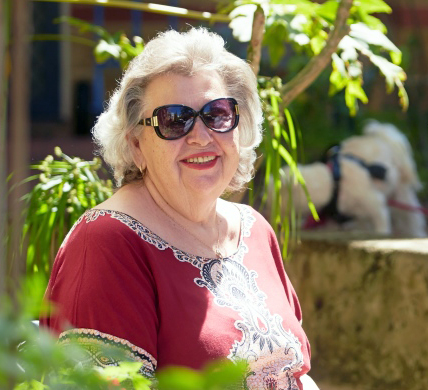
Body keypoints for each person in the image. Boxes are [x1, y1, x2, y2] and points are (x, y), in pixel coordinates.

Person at [41, 27, 317, 389]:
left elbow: (295, 371)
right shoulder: (107, 243)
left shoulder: (254, 229)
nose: (201, 136)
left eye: (217, 114)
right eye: (174, 120)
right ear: (136, 144)